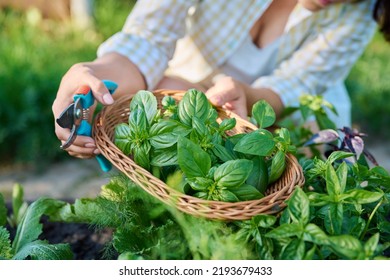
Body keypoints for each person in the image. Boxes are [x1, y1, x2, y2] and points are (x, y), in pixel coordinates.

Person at [52, 0, 390, 159]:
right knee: (162, 98)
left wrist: (244, 96)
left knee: (293, 171)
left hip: (279, 116)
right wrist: (94, 76)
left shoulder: (360, 13)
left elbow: (292, 87)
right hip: (177, 89)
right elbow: (145, 39)